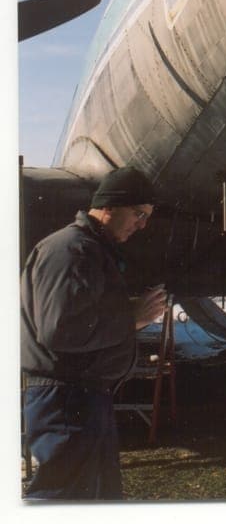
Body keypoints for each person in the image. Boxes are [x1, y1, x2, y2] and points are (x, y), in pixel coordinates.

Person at [20, 166, 169, 499]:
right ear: (110, 205)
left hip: (81, 395)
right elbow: (61, 330)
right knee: (62, 499)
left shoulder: (86, 249)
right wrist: (131, 318)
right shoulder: (72, 250)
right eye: (139, 214)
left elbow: (76, 316)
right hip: (66, 397)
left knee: (94, 498)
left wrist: (127, 311)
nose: (142, 225)